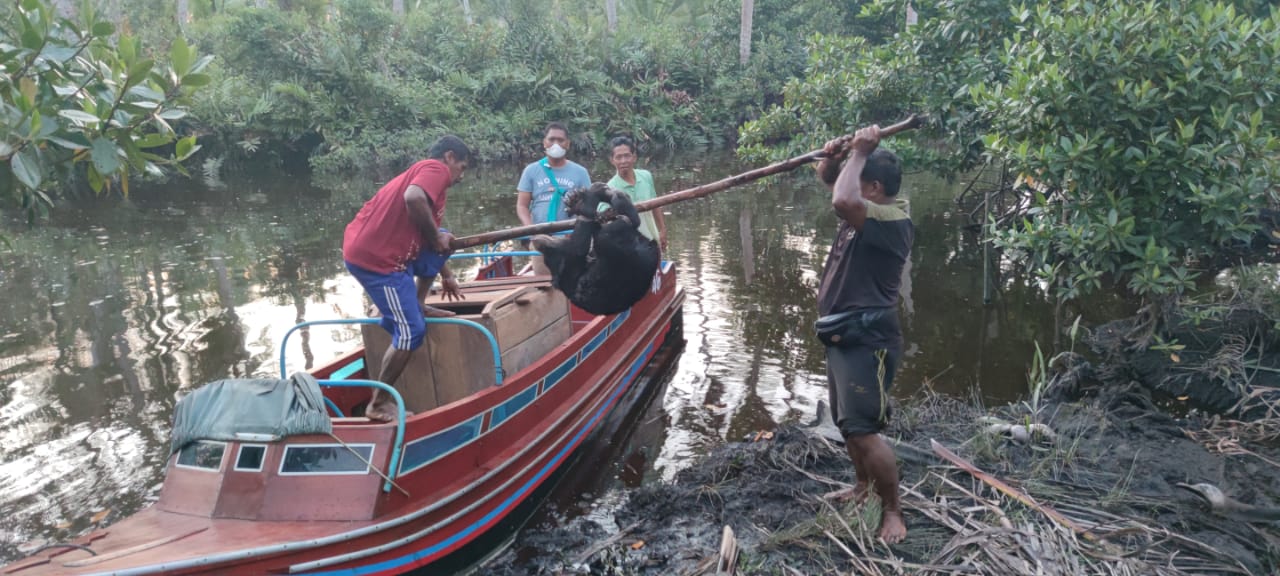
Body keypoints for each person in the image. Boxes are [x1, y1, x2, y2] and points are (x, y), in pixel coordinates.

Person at [813, 125, 913, 543]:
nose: (847, 181)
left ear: (873, 187)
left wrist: (860, 152)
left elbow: (840, 197)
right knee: (846, 422)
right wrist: (837, 156)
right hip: (844, 334)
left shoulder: (889, 220)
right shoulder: (866, 204)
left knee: (865, 430)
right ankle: (861, 486)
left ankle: (893, 510)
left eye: (857, 175)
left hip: (868, 339)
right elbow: (830, 181)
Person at [342, 135, 471, 423]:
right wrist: (436, 238)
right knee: (412, 331)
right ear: (450, 157)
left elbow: (435, 240)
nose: (461, 175)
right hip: (377, 262)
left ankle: (417, 302)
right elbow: (412, 197)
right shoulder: (434, 169)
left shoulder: (433, 188)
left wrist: (447, 274)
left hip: (392, 255)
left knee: (444, 236)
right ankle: (378, 403)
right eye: (461, 167)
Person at [516, 122, 592, 274]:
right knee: (544, 284)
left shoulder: (580, 172)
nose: (555, 144)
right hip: (541, 239)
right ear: (544, 142)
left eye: (560, 140)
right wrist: (531, 231)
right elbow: (522, 206)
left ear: (568, 144)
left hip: (570, 238)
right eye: (551, 139)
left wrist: (579, 230)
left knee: (572, 282)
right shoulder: (531, 171)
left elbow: (589, 207)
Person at [606, 136, 667, 252]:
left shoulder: (646, 176)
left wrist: (662, 230)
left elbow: (655, 205)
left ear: (634, 157)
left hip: (652, 240)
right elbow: (604, 222)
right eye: (618, 157)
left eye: (627, 156)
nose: (623, 161)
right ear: (612, 160)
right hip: (628, 249)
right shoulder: (609, 188)